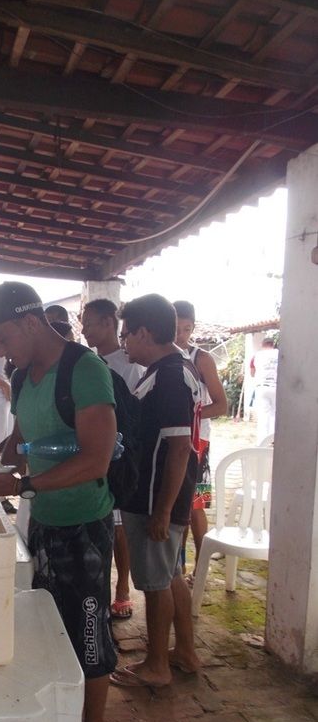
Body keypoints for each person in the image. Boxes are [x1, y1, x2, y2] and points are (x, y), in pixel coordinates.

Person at [0, 282, 117, 722]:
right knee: (49, 627)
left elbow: (96, 457)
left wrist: (23, 484)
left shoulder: (84, 369)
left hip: (84, 526)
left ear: (31, 323)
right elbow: (19, 445)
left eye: (4, 337)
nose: (1, 350)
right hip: (46, 524)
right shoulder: (21, 374)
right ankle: (48, 710)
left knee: (92, 636)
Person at [111, 294, 201, 689]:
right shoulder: (164, 369)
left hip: (154, 497)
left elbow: (180, 447)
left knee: (155, 582)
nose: (124, 341)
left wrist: (162, 511)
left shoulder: (168, 377)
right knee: (170, 574)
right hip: (154, 494)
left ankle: (156, 666)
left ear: (145, 332)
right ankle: (184, 652)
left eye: (127, 333)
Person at [81, 298, 145, 620]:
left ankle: (123, 588)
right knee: (108, 525)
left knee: (121, 528)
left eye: (89, 323)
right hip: (100, 456)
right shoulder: (88, 363)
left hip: (122, 459)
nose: (84, 330)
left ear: (109, 323)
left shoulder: (129, 364)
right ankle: (104, 586)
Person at [173, 300, 228, 579]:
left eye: (186, 329)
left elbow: (221, 405)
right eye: (175, 329)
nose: (180, 336)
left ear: (192, 328)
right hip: (173, 443)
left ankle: (201, 568)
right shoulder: (162, 358)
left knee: (195, 506)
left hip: (198, 443)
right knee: (176, 506)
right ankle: (178, 567)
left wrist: (188, 416)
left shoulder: (200, 358)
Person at [250, 336, 278, 444]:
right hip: (276, 386)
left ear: (262, 345)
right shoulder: (279, 353)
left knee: (263, 415)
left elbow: (252, 373)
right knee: (274, 414)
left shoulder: (257, 355)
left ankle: (262, 442)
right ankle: (273, 440)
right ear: (273, 344)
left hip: (262, 387)